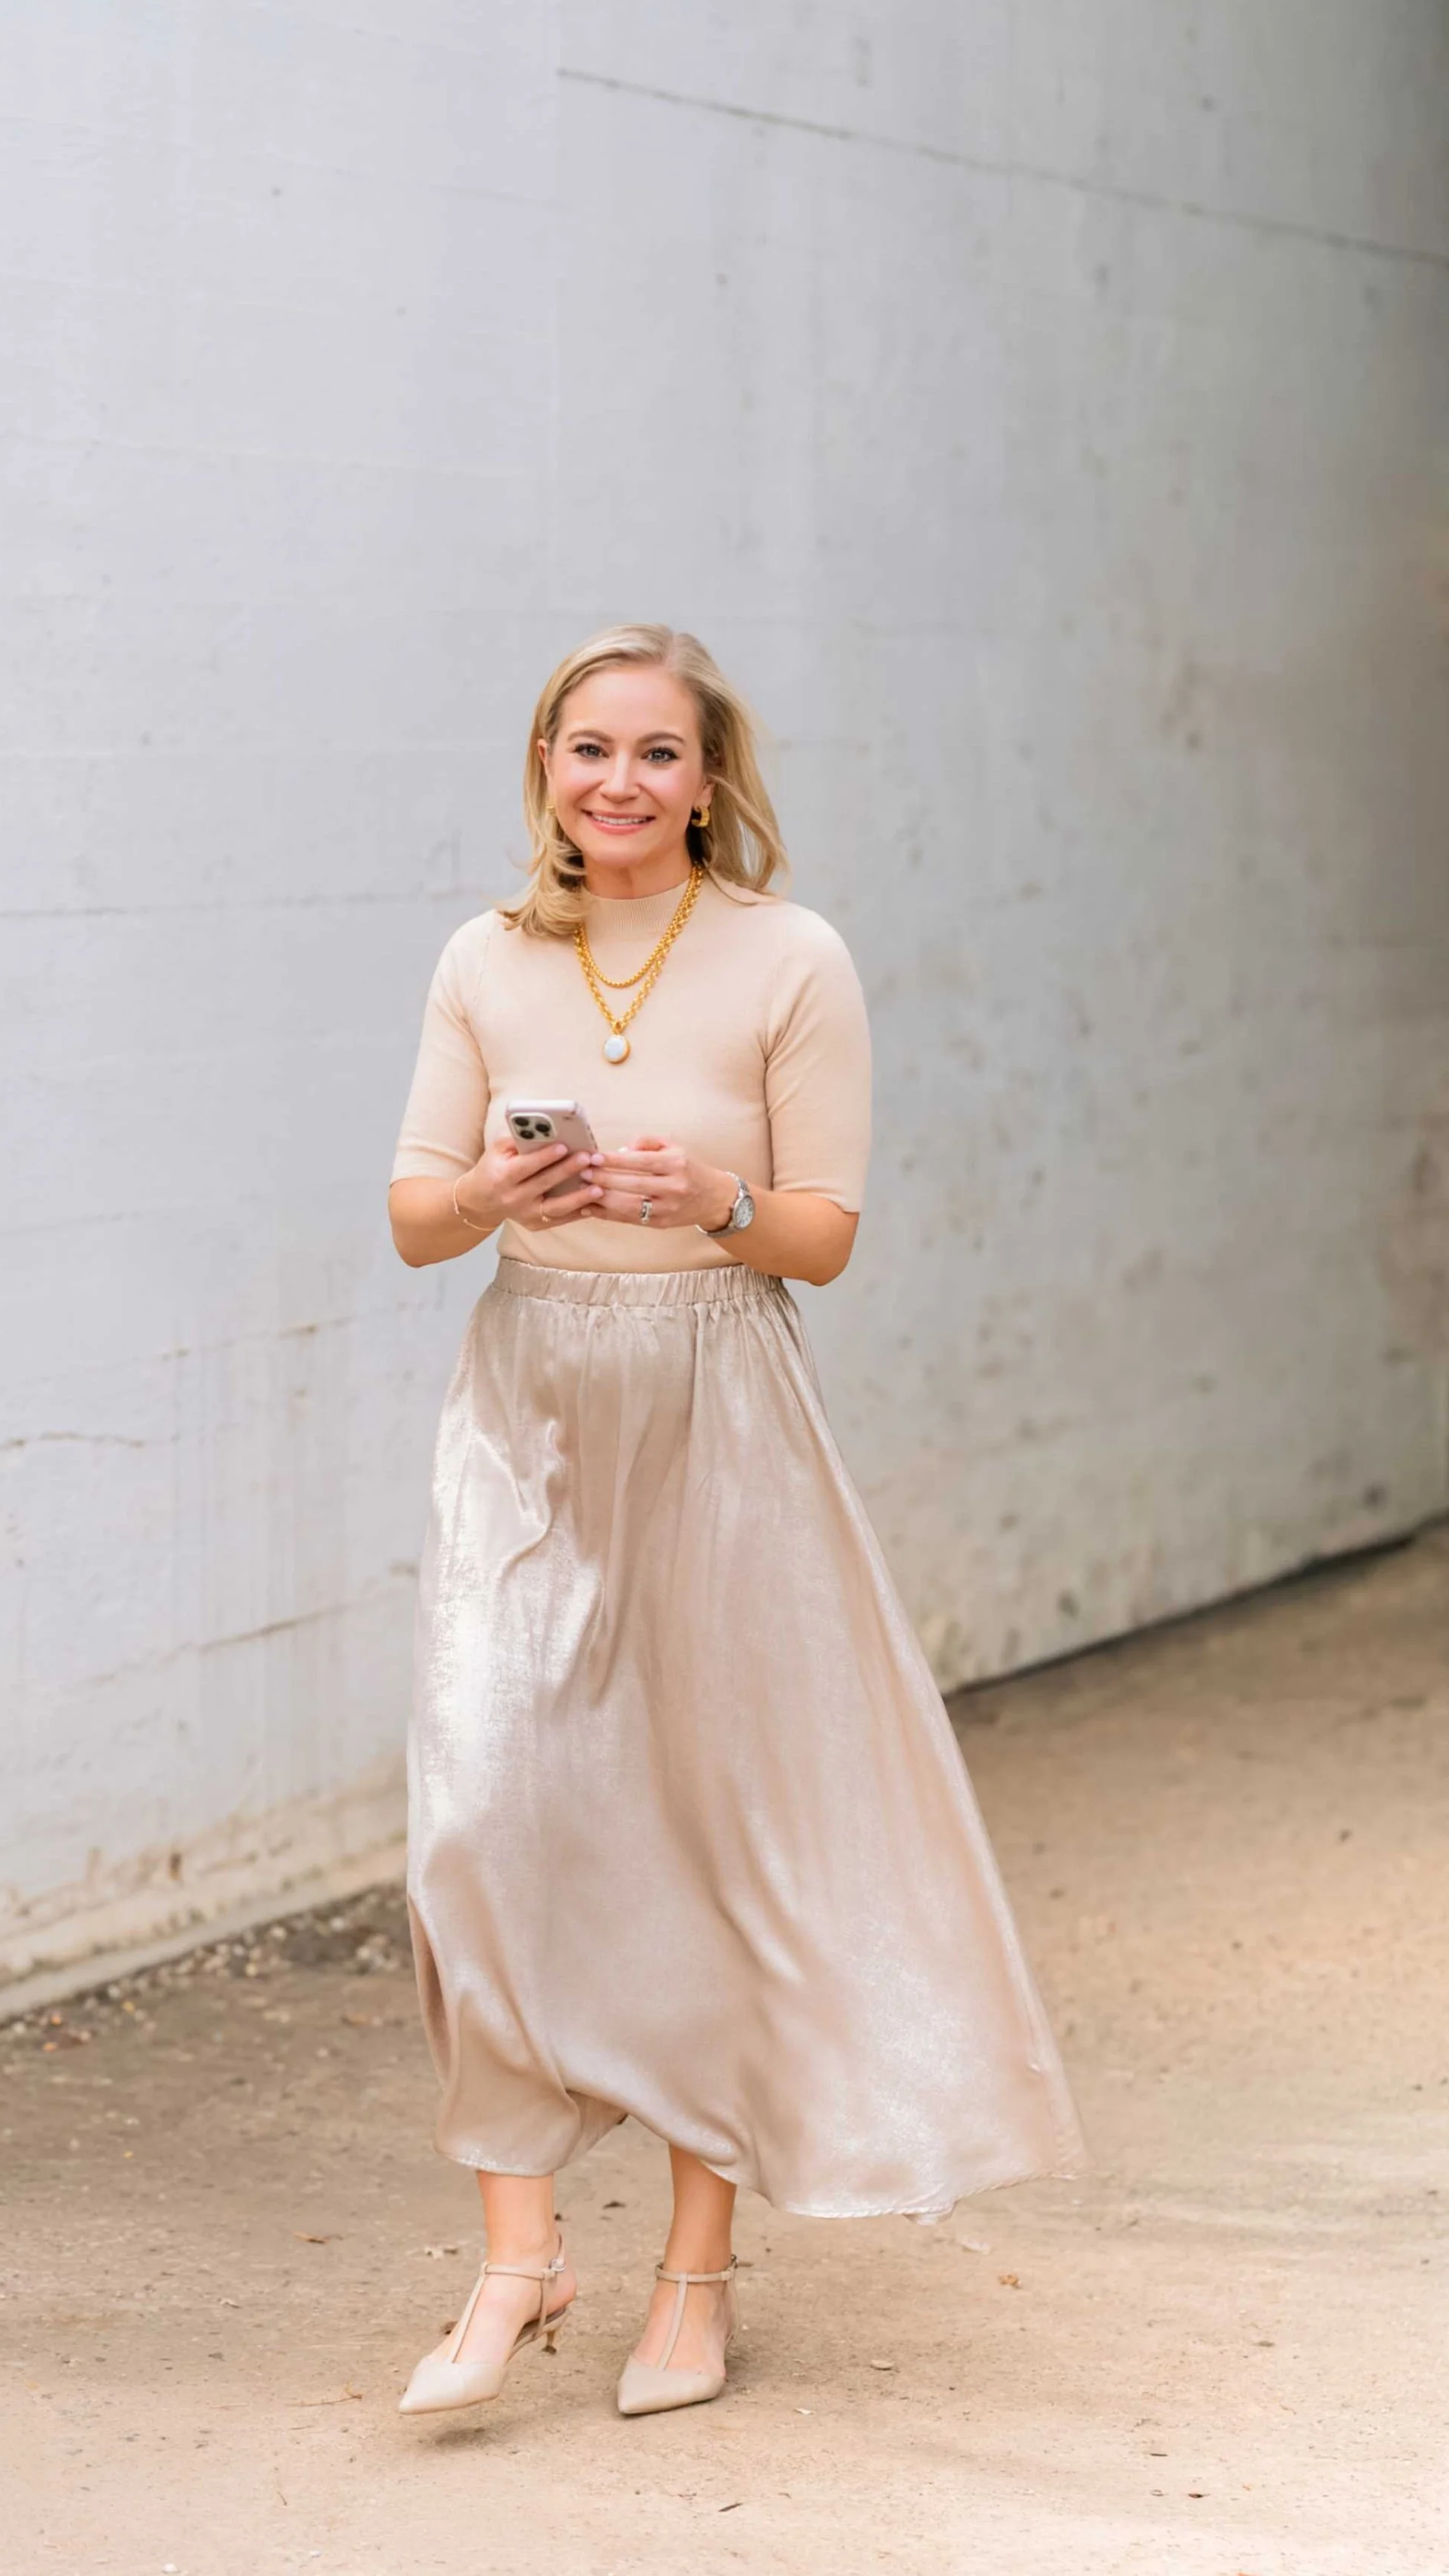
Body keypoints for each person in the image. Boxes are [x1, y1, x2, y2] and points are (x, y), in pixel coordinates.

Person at [386, 625, 1084, 2421]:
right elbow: (408, 1217)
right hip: (528, 1402)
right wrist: (494, 1185)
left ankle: (690, 2276)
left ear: (709, 779)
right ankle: (514, 2256)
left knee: (707, 1835)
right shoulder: (484, 952)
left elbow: (824, 1234)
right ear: (543, 759)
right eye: (584, 746)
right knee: (479, 1817)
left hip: (716, 1405)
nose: (616, 779)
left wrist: (713, 1197)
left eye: (654, 753)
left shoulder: (791, 956)